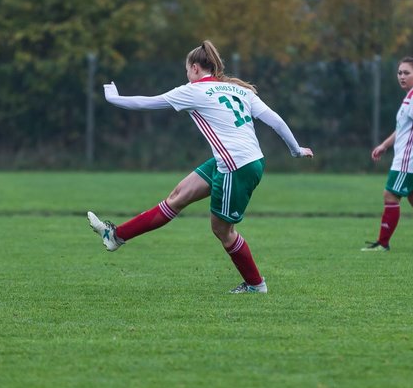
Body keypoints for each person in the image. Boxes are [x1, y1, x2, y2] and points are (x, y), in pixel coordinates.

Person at [86, 40, 313, 293]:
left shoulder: (193, 90)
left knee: (222, 230)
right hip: (240, 160)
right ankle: (115, 236)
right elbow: (276, 120)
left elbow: (146, 103)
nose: (186, 74)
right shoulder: (239, 91)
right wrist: (296, 149)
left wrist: (113, 97)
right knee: (178, 196)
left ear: (195, 67)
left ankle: (255, 284)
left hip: (236, 165)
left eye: (186, 69)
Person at [363, 54, 413, 252]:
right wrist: (385, 145)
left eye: (406, 73)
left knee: (390, 195)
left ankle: (383, 244)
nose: (401, 76)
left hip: (409, 161)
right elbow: (405, 128)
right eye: (399, 73)